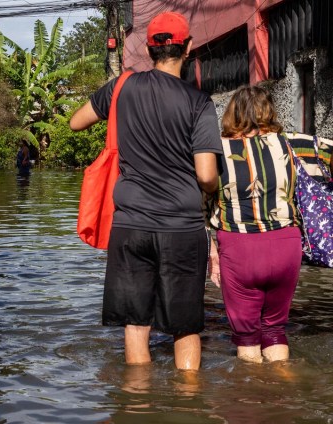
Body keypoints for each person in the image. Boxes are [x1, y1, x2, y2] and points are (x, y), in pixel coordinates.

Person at [69, 11, 222, 370]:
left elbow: (76, 122)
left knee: (136, 324)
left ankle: (137, 404)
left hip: (130, 226)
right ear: (188, 48)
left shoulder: (121, 87)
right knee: (185, 327)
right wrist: (214, 190)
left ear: (150, 48)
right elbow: (205, 175)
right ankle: (188, 404)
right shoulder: (199, 103)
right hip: (181, 228)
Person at [206, 85, 302, 364]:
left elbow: (200, 201)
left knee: (247, 337)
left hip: (240, 248)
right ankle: (283, 389)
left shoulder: (215, 150)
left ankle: (250, 398)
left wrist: (210, 249)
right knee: (274, 330)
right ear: (269, 111)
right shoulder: (292, 143)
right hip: (286, 245)